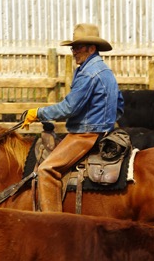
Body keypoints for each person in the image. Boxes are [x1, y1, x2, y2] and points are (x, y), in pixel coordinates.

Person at [22, 23, 123, 213]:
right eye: (72, 47)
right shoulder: (105, 71)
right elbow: (120, 105)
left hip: (85, 135)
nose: (73, 51)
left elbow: (69, 107)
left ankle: (53, 222)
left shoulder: (88, 73)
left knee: (46, 170)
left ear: (91, 48)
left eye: (77, 47)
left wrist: (38, 113)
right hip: (104, 131)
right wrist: (105, 122)